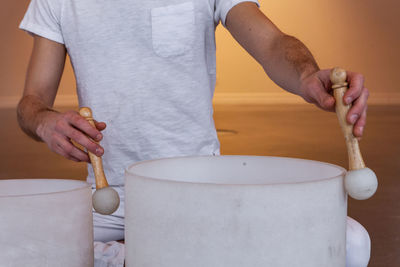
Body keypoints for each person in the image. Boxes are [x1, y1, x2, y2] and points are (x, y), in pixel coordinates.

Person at [18, 0, 370, 266]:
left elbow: (272, 44)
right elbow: (31, 103)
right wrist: (45, 122)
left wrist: (308, 75)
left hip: (198, 191)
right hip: (109, 200)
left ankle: (138, 256)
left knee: (352, 244)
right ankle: (128, 256)